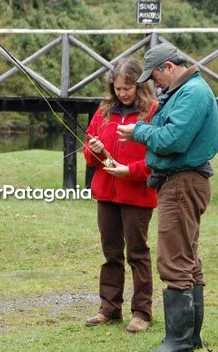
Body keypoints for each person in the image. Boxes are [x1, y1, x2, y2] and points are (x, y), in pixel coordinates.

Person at [117, 43, 218, 352]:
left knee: (175, 260)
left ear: (169, 67)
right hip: (183, 181)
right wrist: (148, 129)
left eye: (155, 77)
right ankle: (190, 339)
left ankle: (178, 342)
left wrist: (139, 132)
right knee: (188, 259)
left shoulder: (191, 93)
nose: (154, 84)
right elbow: (167, 132)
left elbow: (173, 140)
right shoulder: (186, 91)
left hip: (181, 182)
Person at [83, 58, 159, 333]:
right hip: (107, 194)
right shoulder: (103, 111)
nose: (122, 93)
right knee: (111, 253)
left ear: (139, 85)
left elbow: (157, 158)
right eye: (117, 88)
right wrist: (94, 148)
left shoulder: (153, 112)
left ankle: (142, 313)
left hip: (137, 194)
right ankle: (109, 308)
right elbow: (89, 156)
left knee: (137, 253)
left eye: (127, 87)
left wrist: (131, 171)